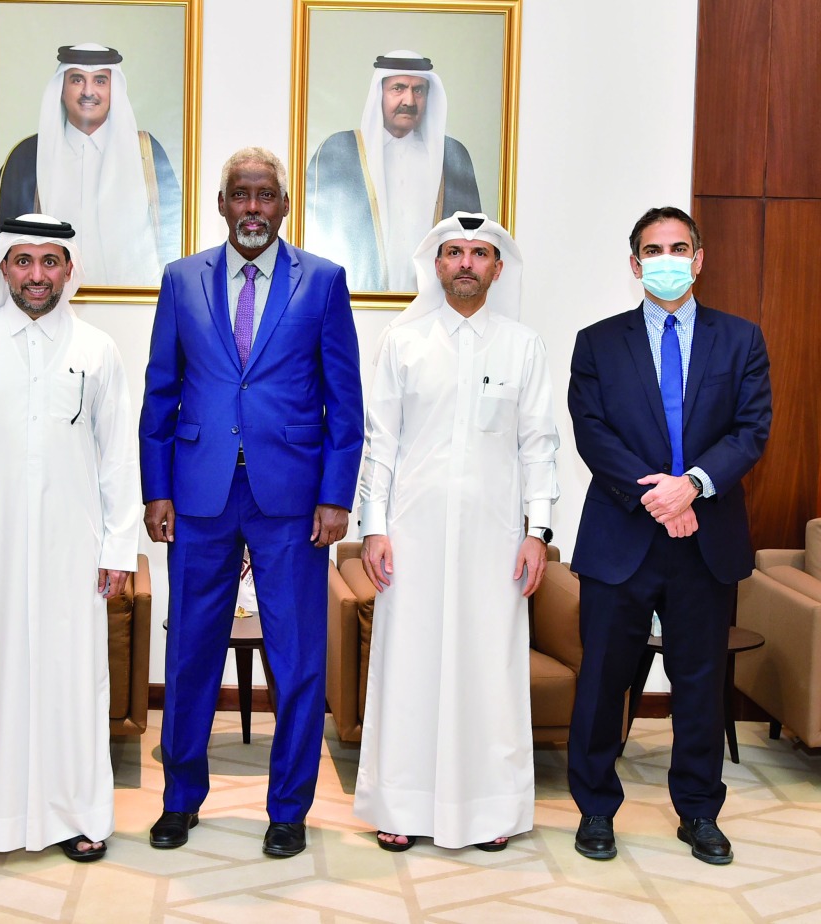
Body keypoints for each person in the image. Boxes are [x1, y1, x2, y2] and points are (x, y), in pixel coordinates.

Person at [139, 146, 363, 859]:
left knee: (296, 658)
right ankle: (180, 799)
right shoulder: (181, 280)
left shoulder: (323, 282)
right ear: (222, 203)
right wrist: (157, 488)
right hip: (200, 495)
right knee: (190, 653)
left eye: (267, 195)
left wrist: (335, 494)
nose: (254, 207)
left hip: (291, 500)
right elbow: (160, 393)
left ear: (285, 206)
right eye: (242, 194)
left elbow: (343, 401)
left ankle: (288, 809)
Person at [0, 214, 141, 863]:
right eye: (24, 261)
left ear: (70, 270)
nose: (37, 275)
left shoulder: (96, 349)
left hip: (73, 550)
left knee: (73, 678)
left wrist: (117, 547)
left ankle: (81, 814)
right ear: (2, 267)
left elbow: (117, 456)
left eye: (50, 262)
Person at [567, 206, 772, 866]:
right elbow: (593, 432)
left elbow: (750, 430)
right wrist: (660, 493)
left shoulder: (741, 340)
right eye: (653, 249)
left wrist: (696, 485)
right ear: (634, 265)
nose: (667, 258)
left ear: (700, 257)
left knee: (700, 684)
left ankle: (699, 811)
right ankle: (596, 807)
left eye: (679, 246)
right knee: (602, 681)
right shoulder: (597, 342)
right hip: (619, 538)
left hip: (705, 542)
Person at [355, 212, 559, 853]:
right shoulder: (402, 343)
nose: (466, 262)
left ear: (498, 268)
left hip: (495, 541)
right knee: (407, 668)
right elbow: (378, 445)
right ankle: (401, 805)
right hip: (410, 539)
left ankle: (489, 811)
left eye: (479, 253)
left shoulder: (523, 345)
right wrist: (374, 529)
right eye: (454, 252)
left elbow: (540, 446)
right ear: (435, 265)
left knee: (488, 671)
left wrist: (539, 531)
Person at [0, 43, 182, 286]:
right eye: (77, 80)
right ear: (61, 88)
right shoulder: (25, 158)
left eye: (100, 81)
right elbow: (0, 255)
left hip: (131, 310)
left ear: (115, 90)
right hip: (45, 315)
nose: (88, 91)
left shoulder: (147, 154)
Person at [305, 51, 481, 292]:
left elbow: (474, 241)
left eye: (418, 90)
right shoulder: (338, 151)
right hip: (359, 304)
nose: (409, 100)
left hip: (434, 308)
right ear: (379, 94)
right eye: (398, 88)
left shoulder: (452, 156)